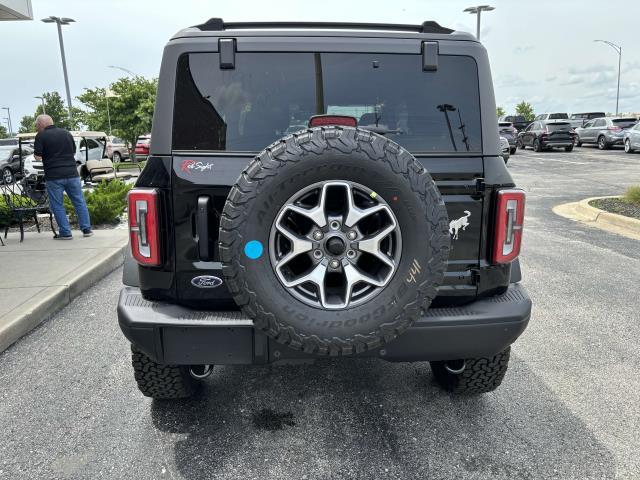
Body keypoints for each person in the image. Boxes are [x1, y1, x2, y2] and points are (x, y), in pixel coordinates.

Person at [33, 115, 93, 239]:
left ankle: (65, 232)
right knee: (79, 201)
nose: (36, 127)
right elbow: (72, 151)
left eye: (36, 125)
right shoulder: (66, 133)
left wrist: (47, 156)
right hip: (72, 174)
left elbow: (38, 156)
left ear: (41, 124)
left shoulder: (41, 136)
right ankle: (86, 229)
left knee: (57, 205)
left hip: (54, 176)